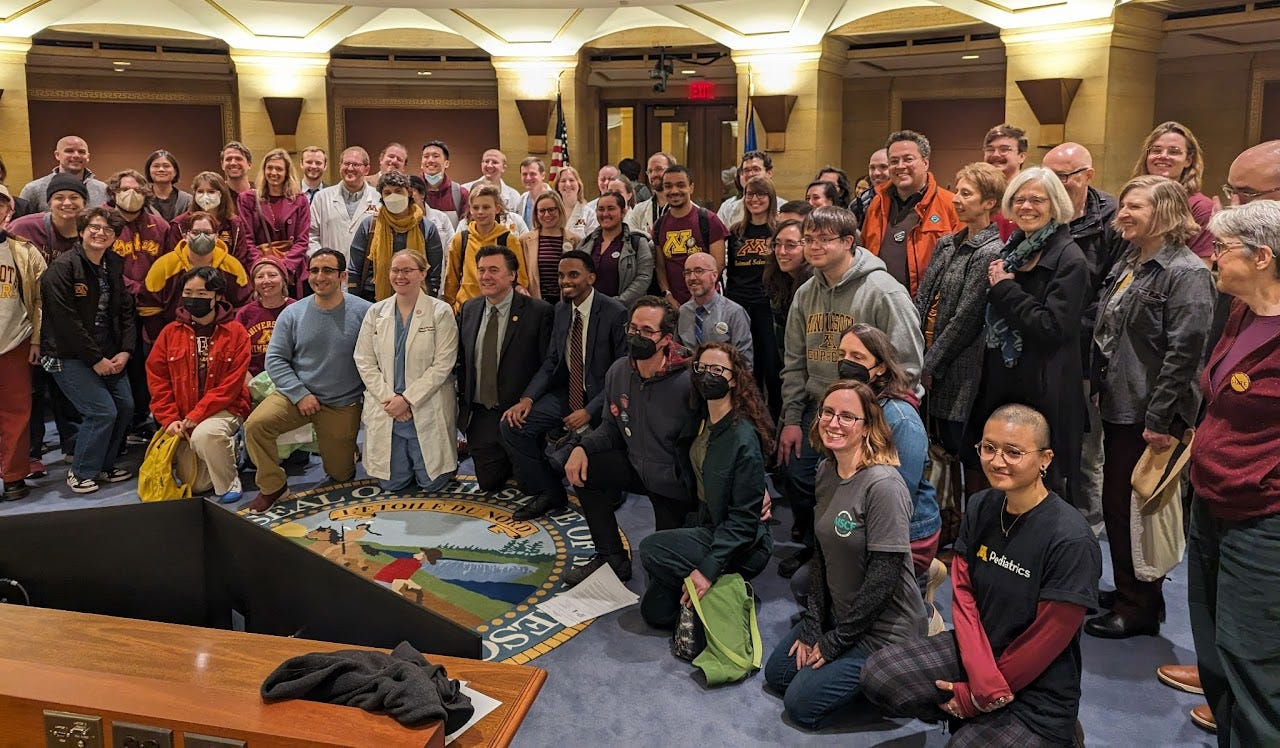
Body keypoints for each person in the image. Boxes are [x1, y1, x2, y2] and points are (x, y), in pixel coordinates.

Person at [862, 405, 1101, 748]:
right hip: (978, 654)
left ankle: (1059, 737)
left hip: (1039, 688)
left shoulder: (1072, 539)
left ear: (1045, 459)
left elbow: (1046, 638)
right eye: (989, 448)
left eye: (1013, 452)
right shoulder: (981, 505)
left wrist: (978, 696)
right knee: (879, 675)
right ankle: (981, 717)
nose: (997, 461)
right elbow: (963, 594)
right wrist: (978, 682)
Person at [1084, 175, 1215, 640]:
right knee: (1118, 505)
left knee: (1133, 508)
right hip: (1119, 402)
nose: (1123, 213)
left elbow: (1185, 356)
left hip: (1149, 413)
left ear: (1166, 212)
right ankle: (1130, 589)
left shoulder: (1187, 273)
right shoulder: (1132, 260)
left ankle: (1137, 606)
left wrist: (1162, 420)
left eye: (1134, 206)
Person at [764, 380, 926, 730]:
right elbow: (822, 555)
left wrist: (836, 642)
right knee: (777, 675)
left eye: (847, 416)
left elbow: (883, 578)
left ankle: (895, 673)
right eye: (828, 412)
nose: (833, 422)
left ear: (868, 427)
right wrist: (812, 625)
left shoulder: (883, 486)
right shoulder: (825, 471)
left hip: (884, 629)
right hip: (843, 614)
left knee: (800, 706)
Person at [778, 206, 924, 577]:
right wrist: (793, 419)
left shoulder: (883, 291)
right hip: (819, 407)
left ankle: (858, 564)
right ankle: (821, 553)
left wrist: (873, 416)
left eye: (824, 239)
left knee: (863, 495)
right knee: (799, 474)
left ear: (848, 241)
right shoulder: (805, 294)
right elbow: (794, 364)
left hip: (871, 412)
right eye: (809, 239)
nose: (813, 247)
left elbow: (907, 363)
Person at [1188, 199, 1280, 746]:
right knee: (1214, 653)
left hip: (1262, 518)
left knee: (1254, 664)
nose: (1212, 258)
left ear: (1263, 256)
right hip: (1211, 501)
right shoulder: (1242, 310)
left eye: (1221, 249)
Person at [967, 167, 1089, 507]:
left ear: (1055, 204)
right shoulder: (1013, 250)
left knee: (1041, 489)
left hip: (1045, 389)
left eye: (1037, 199)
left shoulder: (1069, 258)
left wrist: (1005, 289)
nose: (1027, 207)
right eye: (1019, 199)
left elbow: (1052, 327)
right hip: (1006, 384)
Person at [560, 296, 697, 586]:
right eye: (632, 329)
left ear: (665, 339)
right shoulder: (619, 371)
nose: (637, 336)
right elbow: (611, 428)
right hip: (637, 465)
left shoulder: (690, 380)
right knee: (586, 469)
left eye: (647, 331)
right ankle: (610, 556)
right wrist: (581, 447)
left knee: (664, 587)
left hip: (676, 483)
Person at [638, 341, 773, 627]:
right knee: (655, 612)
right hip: (702, 521)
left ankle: (722, 581)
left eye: (717, 369)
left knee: (651, 548)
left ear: (734, 378)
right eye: (701, 368)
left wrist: (707, 571)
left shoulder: (743, 438)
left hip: (741, 541)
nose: (707, 375)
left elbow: (744, 523)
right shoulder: (700, 417)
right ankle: (712, 593)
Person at [501, 250, 628, 520]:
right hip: (567, 392)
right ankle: (551, 491)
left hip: (603, 398)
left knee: (606, 491)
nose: (564, 281)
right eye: (560, 275)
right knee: (512, 424)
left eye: (573, 274)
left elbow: (622, 373)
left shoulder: (615, 312)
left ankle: (608, 481)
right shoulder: (560, 310)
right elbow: (552, 361)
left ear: (591, 278)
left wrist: (590, 411)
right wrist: (528, 399)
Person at [243, 248, 372, 512]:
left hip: (342, 402)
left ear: (342, 276)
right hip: (296, 395)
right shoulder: (293, 313)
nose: (319, 276)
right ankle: (272, 486)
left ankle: (343, 454)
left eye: (327, 270)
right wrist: (299, 394)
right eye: (314, 270)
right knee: (255, 426)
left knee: (341, 474)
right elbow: (275, 360)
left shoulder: (366, 312)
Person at [1042, 142, 1119, 535]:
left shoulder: (1112, 219)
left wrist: (1068, 324)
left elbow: (1107, 293)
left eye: (1065, 177)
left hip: (1087, 349)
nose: (1055, 184)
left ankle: (1086, 533)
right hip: (1046, 347)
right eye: (1049, 175)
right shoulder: (1041, 213)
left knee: (1087, 452)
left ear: (1088, 176)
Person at [915, 163, 1007, 471]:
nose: (955, 198)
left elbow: (966, 320)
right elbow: (922, 301)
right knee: (932, 452)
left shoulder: (992, 250)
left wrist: (930, 364)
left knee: (957, 451)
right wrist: (916, 356)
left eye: (966, 193)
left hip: (959, 368)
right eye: (956, 190)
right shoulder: (946, 244)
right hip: (927, 358)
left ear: (989, 202)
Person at [40, 207, 135, 494]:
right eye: (94, 227)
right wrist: (95, 360)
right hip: (67, 354)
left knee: (125, 406)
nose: (100, 233)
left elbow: (126, 311)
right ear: (81, 231)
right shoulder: (62, 268)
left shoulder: (114, 264)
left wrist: (126, 351)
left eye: (108, 230)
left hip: (109, 351)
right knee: (101, 412)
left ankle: (103, 466)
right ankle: (81, 470)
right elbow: (64, 320)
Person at [838, 324, 941, 580]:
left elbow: (900, 497)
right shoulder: (849, 404)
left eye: (857, 357)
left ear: (881, 367)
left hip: (905, 531)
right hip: (862, 517)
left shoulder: (901, 419)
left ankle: (921, 592)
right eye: (842, 355)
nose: (846, 363)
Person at [354, 249, 459, 493]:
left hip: (424, 405)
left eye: (408, 270)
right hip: (388, 407)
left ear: (423, 274)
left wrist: (408, 400)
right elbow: (364, 360)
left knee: (432, 483)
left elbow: (443, 364)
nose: (400, 276)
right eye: (395, 270)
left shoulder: (440, 312)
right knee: (393, 483)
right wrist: (391, 399)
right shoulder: (375, 312)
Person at [146, 266, 251, 503]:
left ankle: (229, 483)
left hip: (225, 408)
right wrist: (169, 418)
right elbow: (158, 380)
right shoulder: (169, 333)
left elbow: (231, 384)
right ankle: (227, 450)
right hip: (183, 416)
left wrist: (199, 413)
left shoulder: (236, 332)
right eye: (188, 292)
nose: (194, 299)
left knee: (206, 435)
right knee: (198, 484)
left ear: (218, 297)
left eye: (202, 294)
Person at [454, 245, 553, 492]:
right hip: (481, 415)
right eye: (482, 270)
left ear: (512, 275)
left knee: (530, 488)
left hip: (518, 414)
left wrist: (528, 399)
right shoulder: (469, 309)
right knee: (489, 485)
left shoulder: (538, 312)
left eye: (494, 270)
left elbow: (549, 365)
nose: (486, 276)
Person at [861, 130, 961, 296]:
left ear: (925, 163)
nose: (900, 166)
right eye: (894, 161)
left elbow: (959, 266)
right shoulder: (876, 204)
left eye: (908, 159)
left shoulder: (951, 205)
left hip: (926, 310)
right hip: (878, 303)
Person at [142, 211, 251, 328]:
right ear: (185, 236)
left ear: (216, 237)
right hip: (174, 335)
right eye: (196, 232)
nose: (202, 236)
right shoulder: (164, 265)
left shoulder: (232, 266)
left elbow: (242, 306)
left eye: (207, 233)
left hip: (221, 336)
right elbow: (149, 307)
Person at [726, 175, 780, 409]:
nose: (754, 199)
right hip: (739, 304)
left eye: (760, 194)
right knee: (746, 366)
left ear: (771, 198)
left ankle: (775, 419)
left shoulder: (778, 230)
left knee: (771, 366)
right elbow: (732, 271)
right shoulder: (736, 231)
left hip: (767, 306)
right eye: (750, 194)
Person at [350, 171, 444, 301]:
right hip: (372, 298)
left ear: (409, 192)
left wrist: (429, 299)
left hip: (416, 299)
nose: (393, 197)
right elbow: (354, 269)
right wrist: (355, 301)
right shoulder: (370, 225)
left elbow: (434, 273)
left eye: (398, 191)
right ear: (381, 196)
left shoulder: (426, 228)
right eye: (387, 193)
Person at [0, 228, 45, 500]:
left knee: (16, 412)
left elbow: (40, 298)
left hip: (15, 340)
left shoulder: (24, 250)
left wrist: (37, 339)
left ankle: (14, 476)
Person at [1131, 121, 1213, 264]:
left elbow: (1200, 271)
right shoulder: (1131, 200)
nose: (1163, 156)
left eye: (1174, 151)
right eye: (1156, 150)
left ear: (1188, 160)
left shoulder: (1200, 206)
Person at [238, 148, 311, 298]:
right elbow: (247, 239)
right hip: (260, 269)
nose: (274, 173)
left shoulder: (300, 200)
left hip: (291, 272)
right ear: (263, 170)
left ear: (286, 172)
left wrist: (284, 267)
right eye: (269, 168)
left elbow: (302, 240)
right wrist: (262, 268)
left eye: (279, 169)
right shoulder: (248, 199)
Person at [442, 184, 528, 312]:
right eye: (476, 207)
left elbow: (520, 279)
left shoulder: (508, 240)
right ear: (470, 210)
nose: (480, 212)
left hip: (499, 308)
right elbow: (451, 280)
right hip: (466, 308)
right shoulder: (460, 240)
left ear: (497, 209)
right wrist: (452, 306)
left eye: (486, 207)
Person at [653, 165, 728, 306]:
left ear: (691, 188)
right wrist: (668, 296)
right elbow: (660, 267)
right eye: (668, 186)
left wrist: (696, 300)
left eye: (680, 185)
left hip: (707, 302)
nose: (674, 191)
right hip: (673, 305)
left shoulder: (709, 220)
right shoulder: (659, 225)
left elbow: (718, 264)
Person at [762, 217, 810, 419]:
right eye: (777, 244)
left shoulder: (814, 284)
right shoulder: (777, 278)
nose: (781, 252)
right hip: (789, 367)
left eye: (790, 245)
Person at [573, 190, 653, 306]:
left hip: (625, 311)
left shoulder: (638, 243)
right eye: (601, 209)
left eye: (611, 208)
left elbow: (643, 278)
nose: (605, 214)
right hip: (590, 310)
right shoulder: (586, 243)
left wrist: (616, 303)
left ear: (623, 212)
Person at [308, 146, 381, 265]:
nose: (350, 168)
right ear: (340, 166)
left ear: (367, 169)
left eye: (356, 164)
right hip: (330, 271)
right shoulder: (321, 197)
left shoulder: (378, 199)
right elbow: (311, 235)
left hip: (366, 273)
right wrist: (322, 261)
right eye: (346, 163)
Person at [676, 252, 753, 364]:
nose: (692, 277)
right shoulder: (682, 312)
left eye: (699, 271)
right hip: (688, 378)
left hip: (722, 378)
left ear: (714, 275)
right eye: (687, 272)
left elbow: (745, 362)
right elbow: (676, 354)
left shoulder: (734, 312)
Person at [167, 171, 254, 268]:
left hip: (226, 278)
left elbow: (240, 259)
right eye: (200, 191)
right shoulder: (179, 224)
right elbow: (174, 260)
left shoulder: (235, 224)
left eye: (211, 191)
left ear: (222, 194)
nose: (205, 196)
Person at [235, 257, 294, 378]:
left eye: (272, 275)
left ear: (284, 280)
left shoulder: (297, 309)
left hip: (291, 379)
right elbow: (236, 354)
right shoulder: (245, 313)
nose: (266, 281)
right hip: (251, 380)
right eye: (260, 277)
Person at [7, 173, 87, 261]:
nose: (67, 203)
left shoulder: (93, 231)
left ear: (84, 203)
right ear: (49, 204)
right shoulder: (22, 228)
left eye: (74, 197)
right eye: (59, 198)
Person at [519, 190, 581, 303]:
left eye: (551, 210)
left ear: (560, 210)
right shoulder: (524, 241)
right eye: (542, 211)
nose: (547, 215)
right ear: (536, 214)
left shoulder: (575, 240)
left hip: (566, 304)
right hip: (535, 304)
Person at [19, 135, 109, 211]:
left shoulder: (104, 190)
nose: (76, 155)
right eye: (69, 151)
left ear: (88, 157)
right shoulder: (33, 189)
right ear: (57, 155)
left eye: (81, 152)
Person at [717, 151, 780, 228]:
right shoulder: (727, 208)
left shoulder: (782, 207)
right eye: (746, 170)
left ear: (769, 173)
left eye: (756, 169)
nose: (750, 174)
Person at [625, 152, 676, 237]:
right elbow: (631, 244)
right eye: (650, 171)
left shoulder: (689, 210)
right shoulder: (638, 211)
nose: (653, 175)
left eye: (659, 169)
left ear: (673, 170)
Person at [420, 140, 469, 229]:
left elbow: (465, 228)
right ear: (421, 164)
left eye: (436, 156)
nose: (430, 160)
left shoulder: (460, 193)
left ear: (446, 163)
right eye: (426, 156)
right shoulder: (410, 190)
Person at [462, 149, 521, 213]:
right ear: (481, 165)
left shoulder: (514, 195)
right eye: (486, 161)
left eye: (495, 162)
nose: (489, 165)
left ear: (503, 168)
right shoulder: (465, 190)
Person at [144, 150, 192, 221]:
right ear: (149, 171)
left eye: (166, 166)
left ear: (175, 172)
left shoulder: (187, 200)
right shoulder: (142, 199)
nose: (161, 169)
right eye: (156, 166)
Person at [851, 149, 890, 226]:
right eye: (872, 168)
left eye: (883, 167)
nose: (876, 173)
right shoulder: (859, 203)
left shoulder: (908, 199)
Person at [555, 166, 597, 237]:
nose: (568, 184)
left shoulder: (589, 214)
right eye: (563, 181)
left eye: (571, 180)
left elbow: (592, 242)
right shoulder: (551, 213)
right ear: (557, 187)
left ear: (579, 185)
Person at [514, 157, 550, 229]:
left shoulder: (555, 200)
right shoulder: (521, 200)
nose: (528, 178)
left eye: (532, 174)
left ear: (543, 175)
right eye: (524, 174)